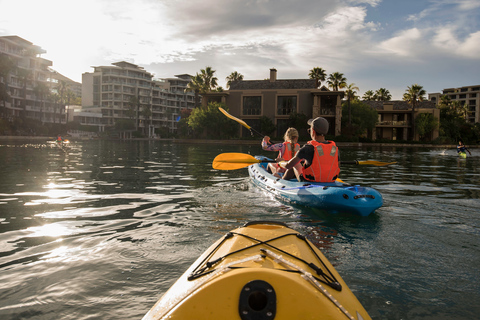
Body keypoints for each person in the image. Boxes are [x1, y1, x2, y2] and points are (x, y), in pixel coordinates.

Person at [281, 117, 340, 182]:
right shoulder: (334, 149)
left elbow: (288, 166)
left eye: (310, 130)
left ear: (313, 132)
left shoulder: (308, 148)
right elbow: (337, 166)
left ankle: (283, 181)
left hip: (309, 180)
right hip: (330, 180)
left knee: (296, 164)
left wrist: (280, 162)